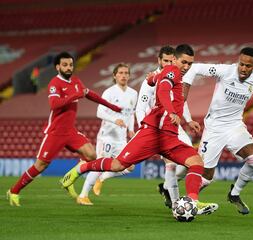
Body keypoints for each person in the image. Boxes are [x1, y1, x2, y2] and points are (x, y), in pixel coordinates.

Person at [61, 44, 218, 216]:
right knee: (117, 165)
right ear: (174, 59)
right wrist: (171, 111)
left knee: (196, 162)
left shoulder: (171, 74)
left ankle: (193, 202)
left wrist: (152, 79)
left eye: (190, 63)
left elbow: (157, 81)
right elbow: (164, 90)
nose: (186, 67)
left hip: (169, 137)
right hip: (152, 133)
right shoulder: (172, 71)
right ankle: (79, 170)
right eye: (184, 62)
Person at [182, 47, 253, 214]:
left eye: (248, 66)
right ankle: (187, 202)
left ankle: (234, 194)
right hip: (214, 128)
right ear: (237, 61)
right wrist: (184, 93)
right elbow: (195, 68)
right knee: (207, 177)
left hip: (234, 125)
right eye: (241, 64)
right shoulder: (225, 71)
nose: (244, 69)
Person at [6, 51, 122, 206]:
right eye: (65, 65)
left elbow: (90, 94)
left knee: (91, 155)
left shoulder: (75, 80)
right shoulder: (54, 84)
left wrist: (112, 106)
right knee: (40, 165)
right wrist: (74, 95)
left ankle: (68, 179)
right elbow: (54, 104)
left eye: (71, 65)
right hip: (56, 132)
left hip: (70, 131)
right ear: (57, 67)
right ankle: (14, 191)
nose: (69, 68)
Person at [134, 46, 201, 209]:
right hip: (157, 127)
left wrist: (189, 119)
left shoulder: (177, 75)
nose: (169, 63)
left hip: (175, 126)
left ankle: (165, 187)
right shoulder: (151, 80)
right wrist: (144, 128)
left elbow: (179, 102)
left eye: (171, 60)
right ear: (159, 60)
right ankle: (177, 204)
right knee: (170, 164)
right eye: (165, 60)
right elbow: (140, 107)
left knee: (192, 162)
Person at [77, 63, 138, 205]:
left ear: (129, 75)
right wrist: (115, 120)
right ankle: (83, 195)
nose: (123, 75)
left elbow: (131, 113)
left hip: (122, 138)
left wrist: (130, 128)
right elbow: (100, 112)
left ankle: (102, 178)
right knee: (99, 164)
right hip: (107, 136)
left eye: (126, 73)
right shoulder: (109, 92)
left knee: (129, 166)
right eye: (120, 73)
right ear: (114, 76)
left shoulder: (133, 93)